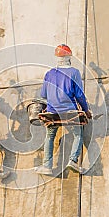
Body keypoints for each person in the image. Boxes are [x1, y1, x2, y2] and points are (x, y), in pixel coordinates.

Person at [36, 44, 92, 175]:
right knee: (78, 134)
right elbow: (79, 95)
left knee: (50, 135)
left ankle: (47, 166)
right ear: (69, 57)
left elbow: (43, 94)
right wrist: (86, 110)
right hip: (69, 112)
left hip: (52, 112)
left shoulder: (49, 74)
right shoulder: (74, 72)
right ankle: (72, 160)